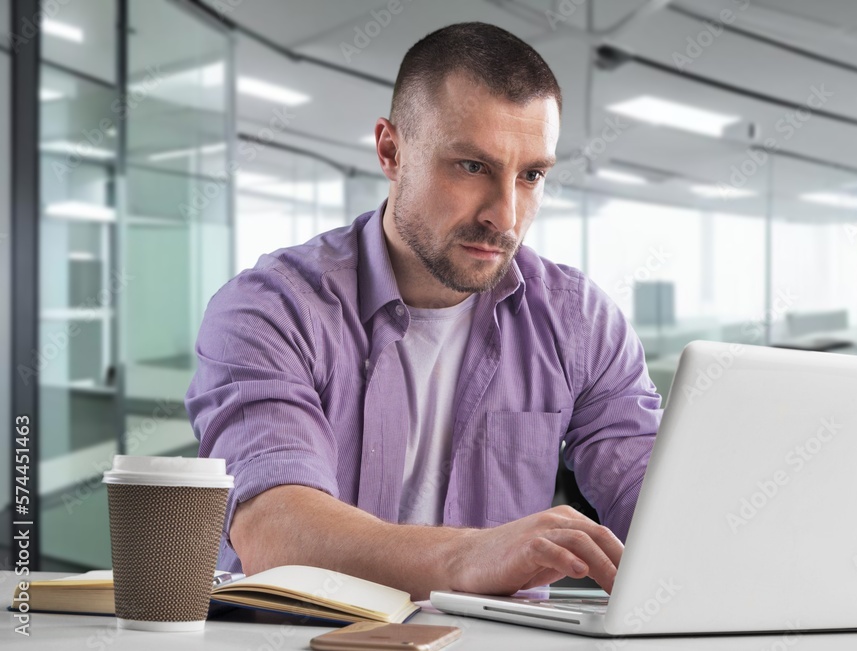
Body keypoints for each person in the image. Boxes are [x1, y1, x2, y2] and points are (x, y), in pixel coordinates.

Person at [186, 22, 662, 601]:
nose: (505, 216)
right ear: (391, 150)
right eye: (471, 166)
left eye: (531, 175)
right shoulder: (272, 308)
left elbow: (659, 505)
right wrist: (473, 553)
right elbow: (275, 531)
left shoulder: (579, 322)